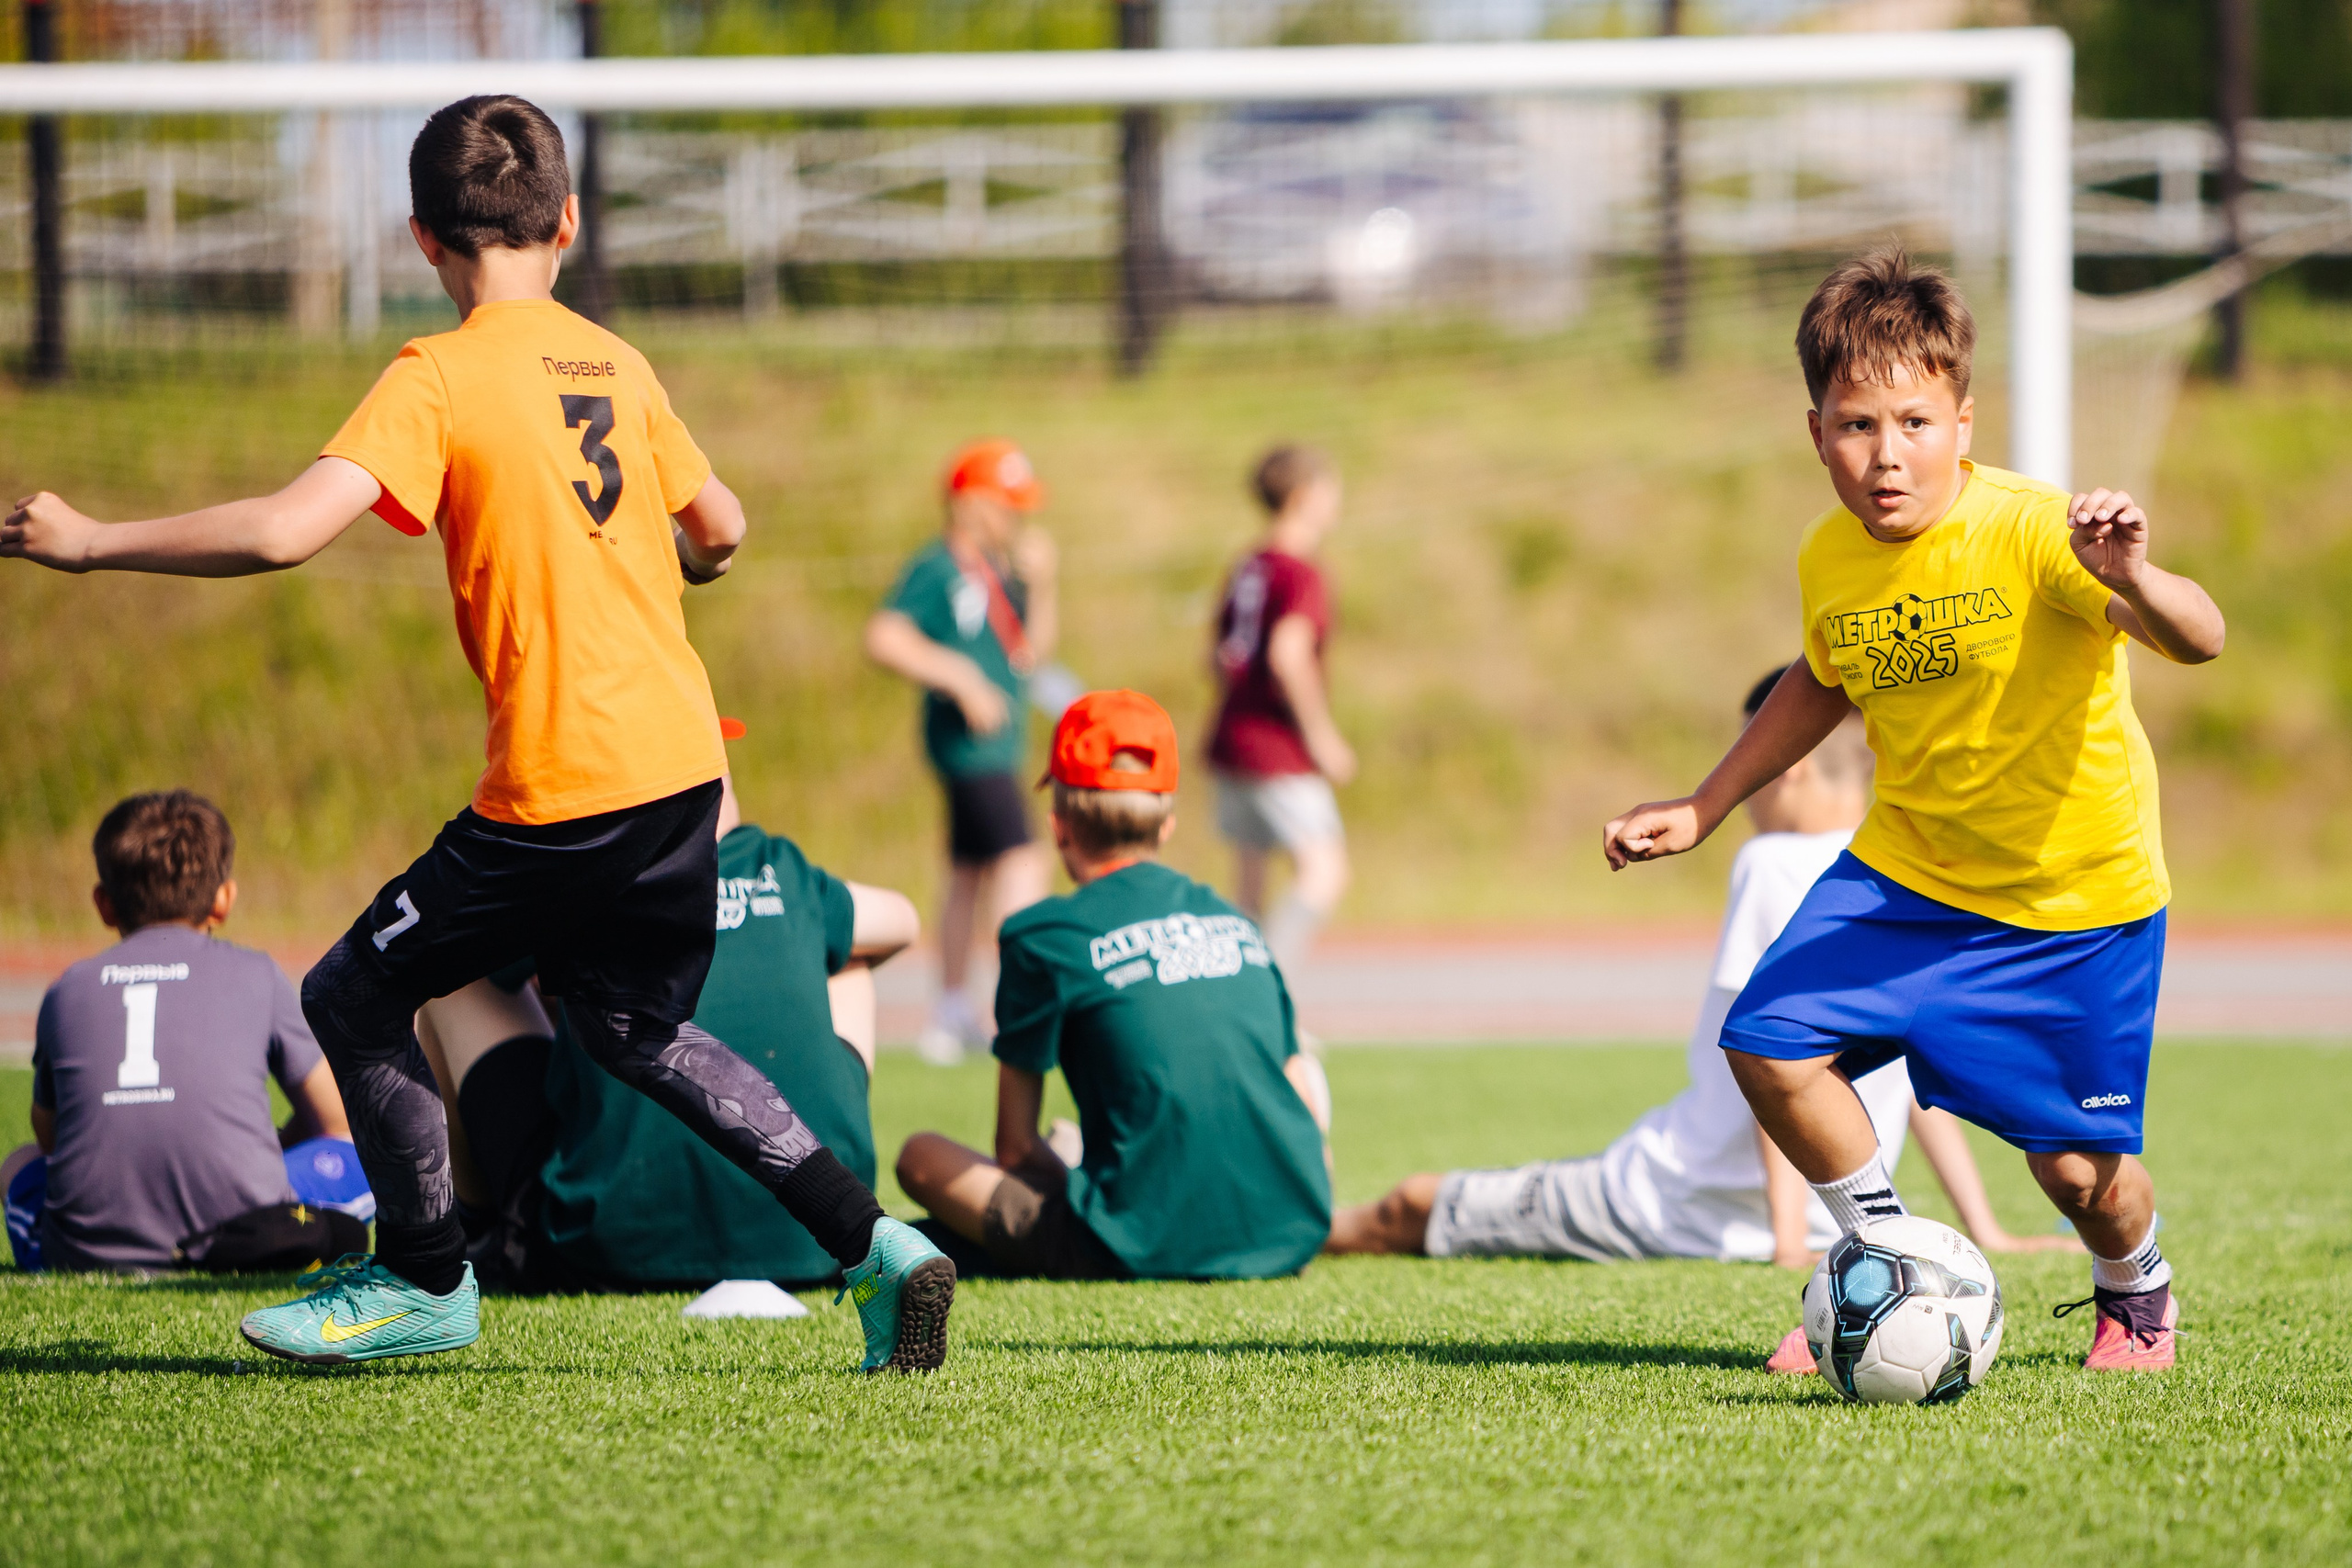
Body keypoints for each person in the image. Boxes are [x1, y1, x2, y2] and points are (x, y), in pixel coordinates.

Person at [1, 96, 954, 1371]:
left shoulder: (437, 374)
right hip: (681, 771)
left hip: (566, 782)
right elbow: (719, 527)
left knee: (352, 986)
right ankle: (876, 1246)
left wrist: (93, 542)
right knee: (634, 1031)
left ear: (421, 239)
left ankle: (423, 1275)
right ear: (567, 221)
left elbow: (287, 531)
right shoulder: (618, 361)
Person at [1600, 248, 2225, 1373]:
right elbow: (1820, 679)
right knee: (1770, 1043)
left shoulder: (2038, 531)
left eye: (1914, 422)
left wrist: (2132, 576)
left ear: (1962, 422)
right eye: (1854, 425)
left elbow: (2201, 637)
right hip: (1912, 874)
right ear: (1815, 432)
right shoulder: (1828, 555)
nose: (1886, 455)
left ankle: (2136, 1290)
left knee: (2076, 1176)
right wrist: (1703, 805)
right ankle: (1890, 1269)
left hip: (2074, 900)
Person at [1327, 672, 2079, 1372]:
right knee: (1416, 1212)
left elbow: (1768, 1055)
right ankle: (1294, 1231)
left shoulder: (1775, 860)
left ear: (1790, 766)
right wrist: (1978, 1222)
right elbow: (1914, 1079)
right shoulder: (1911, 879)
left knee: (1411, 1208)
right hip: (1845, 1225)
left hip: (1665, 1197)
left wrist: (1787, 1237)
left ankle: (1286, 1230)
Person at [411, 731, 921, 1293]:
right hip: (816, 1249)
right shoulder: (782, 869)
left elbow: (454, 944)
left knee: (449, 983)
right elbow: (903, 919)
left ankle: (483, 1232)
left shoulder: (585, 870)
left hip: (607, 1249)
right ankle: (839, 1201)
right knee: (847, 959)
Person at [895, 690, 1331, 1281]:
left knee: (920, 1157)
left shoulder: (1040, 934)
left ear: (1058, 824)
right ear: (1168, 822)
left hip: (1136, 1242)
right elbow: (1301, 1103)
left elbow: (1017, 1150)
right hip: (1292, 1229)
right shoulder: (1236, 923)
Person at [6, 791, 357, 1274]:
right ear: (224, 899)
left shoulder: (66, 990)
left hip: (89, 1253)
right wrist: (267, 1149)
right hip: (249, 1235)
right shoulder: (257, 974)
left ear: (103, 905)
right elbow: (333, 1119)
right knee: (358, 1149)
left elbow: (49, 1139)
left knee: (18, 1162)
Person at [865, 440, 1058, 1065]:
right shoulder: (940, 567)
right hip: (970, 749)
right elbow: (885, 634)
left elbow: (1032, 653)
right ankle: (1018, 1003)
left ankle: (950, 1009)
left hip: (1001, 744)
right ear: (971, 503)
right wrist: (957, 675)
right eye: (1007, 505)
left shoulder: (1000, 569)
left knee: (967, 873)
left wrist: (1044, 584)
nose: (1016, 518)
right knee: (1023, 860)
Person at [1207, 445, 1353, 974]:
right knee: (1325, 872)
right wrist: (1320, 737)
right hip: (1275, 746)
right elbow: (1288, 655)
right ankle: (1270, 995)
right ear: (1303, 497)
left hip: (1231, 736)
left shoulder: (1249, 565)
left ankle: (1234, 1000)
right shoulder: (1300, 572)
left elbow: (1218, 656)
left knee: (1248, 886)